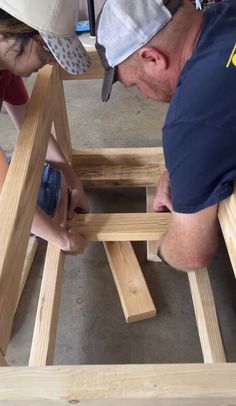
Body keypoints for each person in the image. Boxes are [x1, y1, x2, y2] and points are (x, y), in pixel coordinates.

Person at [96, 0, 236, 271]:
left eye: (136, 84)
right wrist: (181, 171)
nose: (144, 96)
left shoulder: (192, 117)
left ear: (152, 57)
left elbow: (190, 254)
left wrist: (162, 248)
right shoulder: (226, 11)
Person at [0, 0, 91, 253]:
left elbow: (30, 125)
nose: (51, 62)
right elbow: (5, 189)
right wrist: (62, 239)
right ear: (7, 37)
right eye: (46, 51)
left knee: (51, 185)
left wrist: (74, 181)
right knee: (44, 201)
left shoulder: (5, 69)